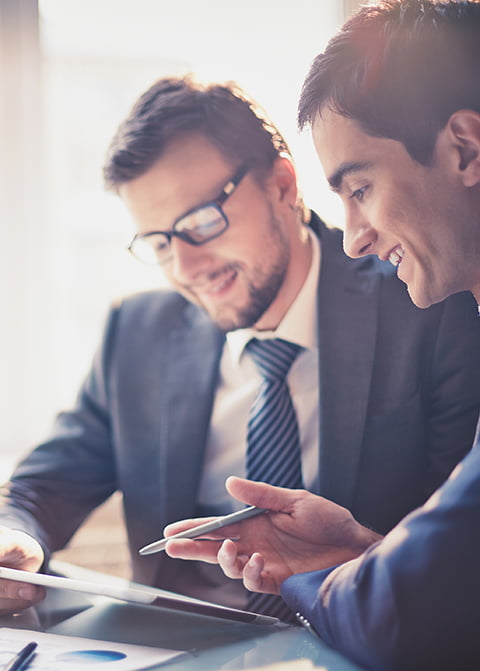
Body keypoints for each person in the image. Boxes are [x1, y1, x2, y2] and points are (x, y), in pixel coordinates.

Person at [1, 75, 479, 624]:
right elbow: (45, 483)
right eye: (159, 242)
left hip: (356, 644)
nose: (185, 267)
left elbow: (457, 554)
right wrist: (14, 538)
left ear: (282, 185)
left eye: (201, 222)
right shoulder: (138, 330)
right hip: (173, 660)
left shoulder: (427, 301)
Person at [163, 0, 480, 671]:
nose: (355, 236)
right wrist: (367, 552)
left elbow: (406, 619)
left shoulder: (442, 327)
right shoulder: (140, 332)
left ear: (465, 148)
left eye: (360, 187)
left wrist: (322, 572)